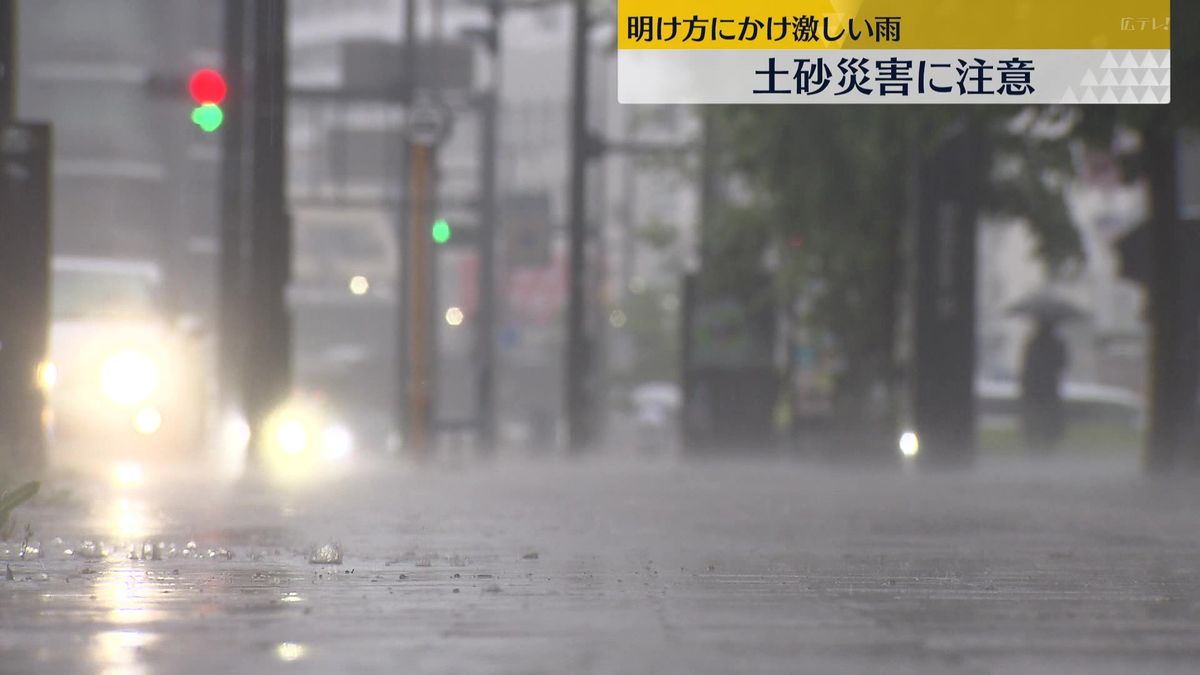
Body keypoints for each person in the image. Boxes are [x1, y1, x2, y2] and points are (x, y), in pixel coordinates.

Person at [1019, 319, 1069, 453]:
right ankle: (1048, 444)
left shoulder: (1032, 343)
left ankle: (1034, 444)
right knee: (1049, 417)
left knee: (1035, 417)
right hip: (1049, 386)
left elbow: (1027, 366)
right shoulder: (1057, 344)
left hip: (1034, 387)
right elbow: (1062, 364)